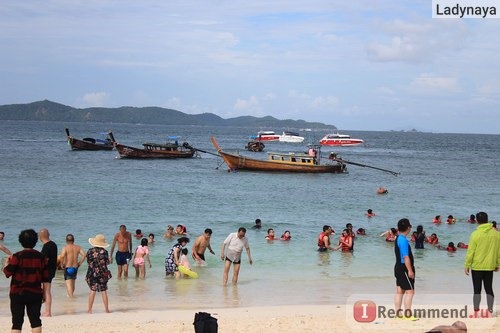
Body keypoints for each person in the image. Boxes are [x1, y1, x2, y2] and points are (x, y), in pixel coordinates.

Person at [3, 229, 49, 333]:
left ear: (20, 241)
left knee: (17, 322)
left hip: (17, 293)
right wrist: (45, 294)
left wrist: (6, 264)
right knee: (35, 321)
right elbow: (45, 278)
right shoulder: (41, 257)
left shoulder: (17, 256)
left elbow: (7, 273)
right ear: (35, 241)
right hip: (35, 293)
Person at [464, 211, 500, 317]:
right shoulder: (496, 234)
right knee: (489, 288)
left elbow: (471, 252)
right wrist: (497, 264)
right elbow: (498, 251)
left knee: (477, 290)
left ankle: (476, 312)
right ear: (487, 220)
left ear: (477, 221)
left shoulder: (475, 234)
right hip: (490, 266)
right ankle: (490, 311)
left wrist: (467, 265)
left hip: (477, 266)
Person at [394, 218, 417, 321]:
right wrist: (410, 270)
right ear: (408, 228)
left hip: (398, 267)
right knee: (410, 292)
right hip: (404, 268)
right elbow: (406, 257)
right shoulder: (403, 240)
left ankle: (398, 314)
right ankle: (408, 314)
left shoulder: (398, 238)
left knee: (400, 291)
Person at [86, 234, 111, 314]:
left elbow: (88, 262)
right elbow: (107, 262)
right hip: (102, 273)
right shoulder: (105, 252)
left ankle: (90, 310)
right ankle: (106, 310)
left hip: (92, 273)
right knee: (104, 291)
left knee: (92, 290)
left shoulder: (90, 251)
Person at [39, 228, 57, 317]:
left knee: (46, 291)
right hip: (52, 270)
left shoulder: (46, 246)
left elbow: (44, 260)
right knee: (47, 291)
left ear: (40, 237)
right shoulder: (53, 244)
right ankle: (47, 311)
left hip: (47, 271)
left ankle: (48, 312)